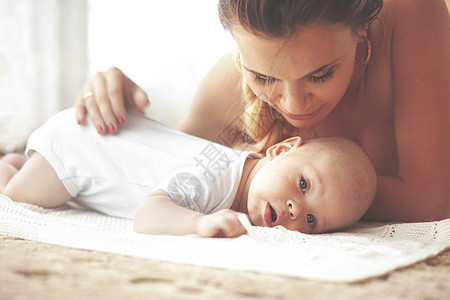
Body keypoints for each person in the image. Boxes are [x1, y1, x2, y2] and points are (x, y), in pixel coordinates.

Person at [74, 0, 450, 222]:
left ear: (362, 31)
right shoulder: (229, 83)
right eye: (263, 77)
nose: (293, 105)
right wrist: (117, 109)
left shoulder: (412, 15)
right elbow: (165, 165)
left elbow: (432, 200)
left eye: (320, 74)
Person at [0, 108, 376, 237]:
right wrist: (197, 224)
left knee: (22, 172)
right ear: (279, 150)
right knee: (13, 198)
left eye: (312, 220)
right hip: (74, 152)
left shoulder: (231, 166)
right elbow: (147, 215)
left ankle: (17, 159)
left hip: (90, 133)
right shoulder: (209, 180)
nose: (296, 210)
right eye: (304, 184)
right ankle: (9, 166)